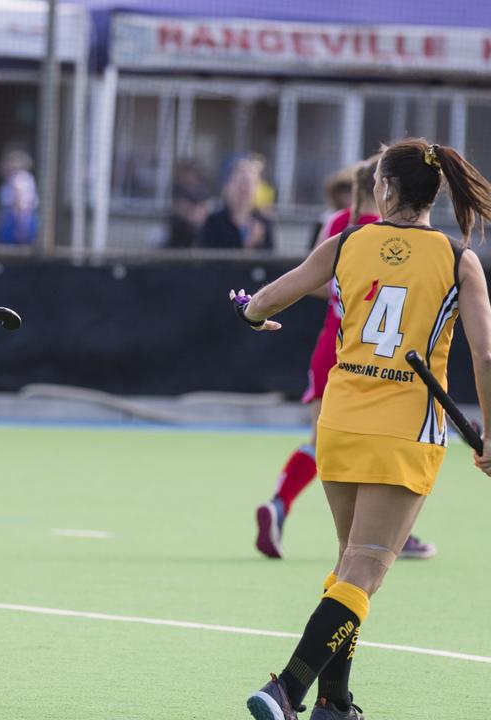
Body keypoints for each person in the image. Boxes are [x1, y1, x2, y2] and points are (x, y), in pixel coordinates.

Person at [232, 138, 491, 720]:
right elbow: (487, 356)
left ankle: (335, 702)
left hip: (340, 424)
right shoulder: (457, 259)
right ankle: (288, 690)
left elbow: (269, 299)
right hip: (406, 434)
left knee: (350, 566)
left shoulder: (348, 241)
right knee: (364, 570)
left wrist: (251, 313)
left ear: (387, 189)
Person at [254, 157, 436, 561]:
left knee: (327, 442)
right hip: (375, 356)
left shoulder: (337, 226)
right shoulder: (394, 237)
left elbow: (313, 282)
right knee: (386, 439)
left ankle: (282, 502)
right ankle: (388, 533)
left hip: (330, 348)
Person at [200, 154, 273, 250]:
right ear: (227, 186)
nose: (244, 189)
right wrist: (246, 245)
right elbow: (205, 260)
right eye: (240, 183)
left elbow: (271, 262)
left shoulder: (263, 222)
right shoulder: (213, 221)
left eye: (250, 184)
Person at [0, 148, 37, 244]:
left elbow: (20, 203)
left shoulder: (17, 179)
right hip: (17, 218)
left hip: (16, 219)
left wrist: (21, 226)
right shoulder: (23, 178)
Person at [165, 160, 209, 248]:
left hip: (196, 233)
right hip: (178, 234)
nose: (190, 176)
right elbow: (180, 208)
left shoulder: (200, 190)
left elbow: (204, 209)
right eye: (187, 173)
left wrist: (196, 214)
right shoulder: (177, 189)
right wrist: (191, 213)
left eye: (192, 173)